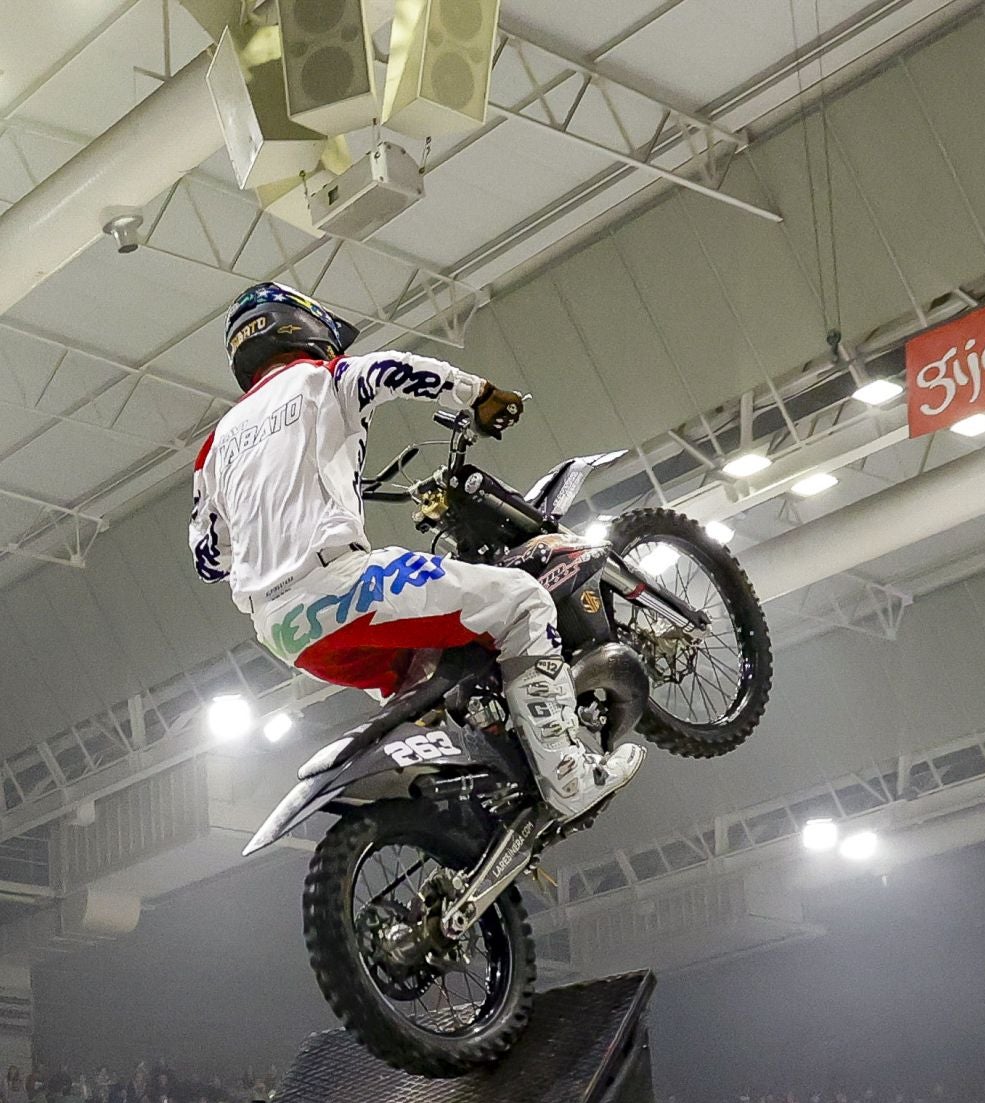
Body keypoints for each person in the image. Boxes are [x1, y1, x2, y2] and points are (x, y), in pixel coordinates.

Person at [188, 283, 643, 819]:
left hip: (284, 633)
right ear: (301, 326)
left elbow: (209, 559)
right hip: (345, 587)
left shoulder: (213, 448)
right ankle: (568, 773)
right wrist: (480, 394)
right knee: (525, 601)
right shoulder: (322, 378)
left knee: (432, 684)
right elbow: (392, 370)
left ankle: (474, 810)